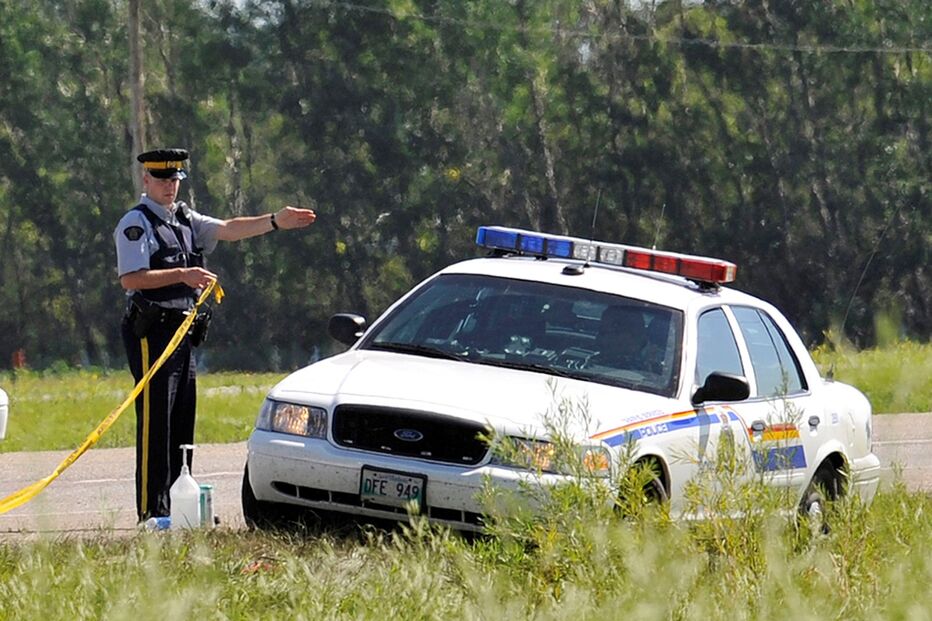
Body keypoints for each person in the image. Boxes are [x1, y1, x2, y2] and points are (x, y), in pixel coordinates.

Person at [114, 148, 316, 522]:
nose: (169, 186)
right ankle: (150, 512)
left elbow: (229, 228)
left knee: (181, 419)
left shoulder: (185, 219)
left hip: (183, 329)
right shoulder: (136, 223)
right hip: (151, 332)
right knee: (155, 422)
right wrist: (182, 275)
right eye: (161, 179)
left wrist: (274, 221)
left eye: (174, 179)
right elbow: (131, 278)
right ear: (146, 180)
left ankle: (178, 508)